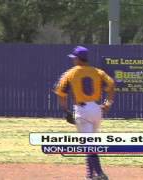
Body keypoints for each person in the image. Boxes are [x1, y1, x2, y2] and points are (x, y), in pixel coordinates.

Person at [54, 46, 115, 180]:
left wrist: (66, 111)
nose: (73, 60)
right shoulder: (98, 72)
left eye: (74, 58)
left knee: (88, 144)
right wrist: (108, 103)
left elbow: (61, 93)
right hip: (96, 109)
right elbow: (111, 84)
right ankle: (90, 175)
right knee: (90, 143)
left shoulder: (71, 73)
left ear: (77, 59)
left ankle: (99, 173)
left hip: (82, 110)